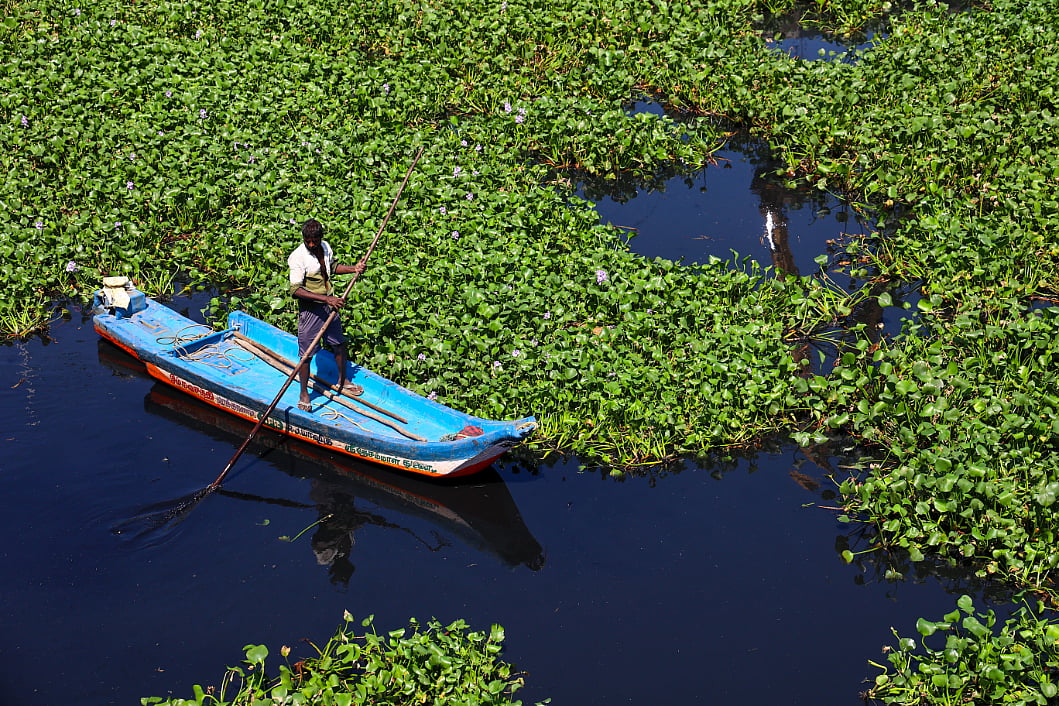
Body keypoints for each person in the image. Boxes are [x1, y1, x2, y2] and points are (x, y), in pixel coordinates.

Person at [288, 219, 364, 411]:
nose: (311, 245)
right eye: (308, 241)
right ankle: (304, 393)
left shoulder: (325, 247)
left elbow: (332, 267)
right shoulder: (297, 257)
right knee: (306, 354)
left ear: (320, 238)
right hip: (311, 310)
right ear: (304, 239)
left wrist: (353, 269)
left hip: (329, 306)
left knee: (339, 344)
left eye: (314, 241)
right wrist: (326, 300)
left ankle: (342, 381)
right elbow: (296, 290)